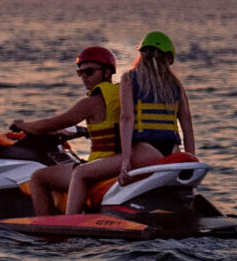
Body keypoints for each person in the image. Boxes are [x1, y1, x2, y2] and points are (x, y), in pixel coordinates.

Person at [68, 31, 194, 213]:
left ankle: (69, 222)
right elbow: (187, 127)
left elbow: (126, 118)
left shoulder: (130, 78)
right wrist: (188, 164)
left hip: (145, 152)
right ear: (168, 58)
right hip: (172, 154)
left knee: (79, 173)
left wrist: (126, 159)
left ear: (141, 55)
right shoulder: (175, 84)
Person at [11, 46, 120, 216]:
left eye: (89, 72)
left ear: (107, 73)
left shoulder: (90, 103)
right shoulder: (122, 94)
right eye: (80, 73)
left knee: (38, 178)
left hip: (100, 166)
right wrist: (81, 131)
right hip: (118, 163)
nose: (84, 77)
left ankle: (47, 231)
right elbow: (111, 126)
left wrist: (24, 125)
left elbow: (50, 124)